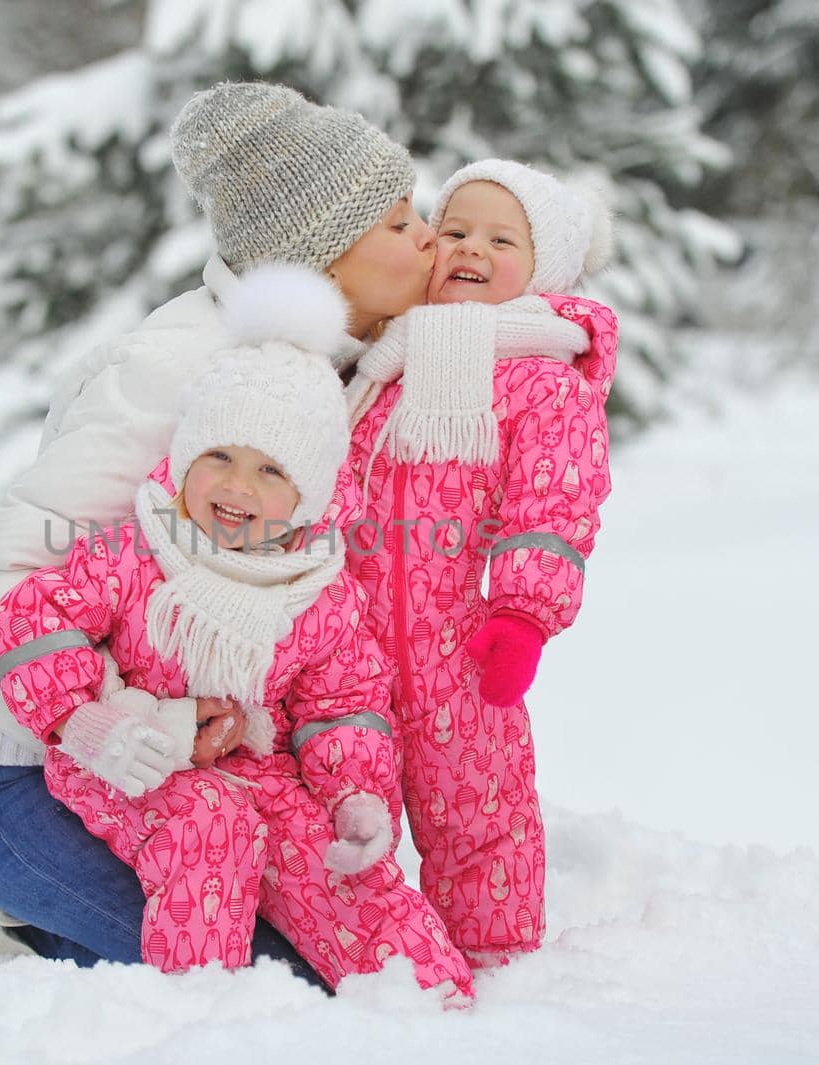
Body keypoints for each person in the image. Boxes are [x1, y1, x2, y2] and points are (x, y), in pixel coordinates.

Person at [0, 82, 435, 974]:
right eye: (398, 223)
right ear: (320, 257)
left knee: (331, 958)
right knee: (250, 976)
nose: (426, 238)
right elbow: (7, 567)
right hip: (15, 770)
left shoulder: (320, 369)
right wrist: (122, 714)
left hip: (184, 778)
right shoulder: (190, 367)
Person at [0, 267, 473, 1000]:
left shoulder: (317, 593)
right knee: (210, 824)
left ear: (307, 494)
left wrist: (355, 798)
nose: (236, 487)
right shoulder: (137, 551)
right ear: (185, 458)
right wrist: (85, 721)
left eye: (269, 470)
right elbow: (33, 620)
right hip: (133, 759)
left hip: (262, 773)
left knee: (334, 862)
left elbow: (344, 706)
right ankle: (203, 1014)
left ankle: (433, 1003)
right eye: (218, 456)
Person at [342, 159, 619, 966]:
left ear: (543, 271)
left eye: (502, 238)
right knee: (349, 803)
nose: (470, 247)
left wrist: (523, 615)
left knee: (478, 811)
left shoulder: (542, 381)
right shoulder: (386, 365)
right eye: (454, 229)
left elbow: (555, 503)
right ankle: (374, 958)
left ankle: (495, 961)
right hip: (350, 652)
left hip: (464, 652)